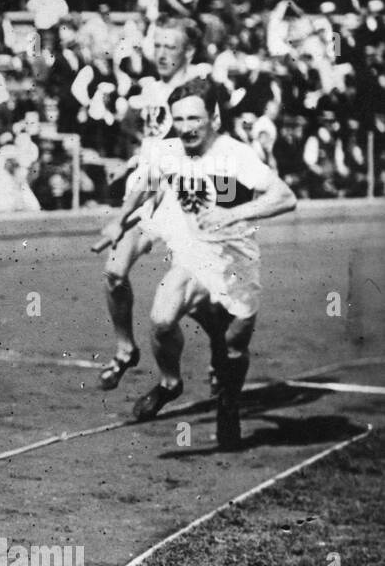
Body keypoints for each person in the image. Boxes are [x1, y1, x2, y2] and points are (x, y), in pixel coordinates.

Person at [120, 79, 296, 449]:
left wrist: (236, 215)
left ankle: (228, 402)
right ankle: (170, 382)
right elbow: (148, 181)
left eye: (195, 118)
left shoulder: (237, 154)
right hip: (195, 255)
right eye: (179, 118)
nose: (186, 127)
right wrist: (118, 218)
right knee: (161, 318)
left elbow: (284, 195)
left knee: (233, 347)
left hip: (236, 264)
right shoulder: (169, 150)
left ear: (215, 117)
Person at [91, 17, 209, 390]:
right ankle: (126, 349)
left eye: (170, 46)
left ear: (188, 51)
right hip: (147, 194)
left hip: (182, 198)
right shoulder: (151, 90)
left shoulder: (200, 89)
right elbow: (147, 136)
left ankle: (219, 345)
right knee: (114, 272)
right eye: (157, 45)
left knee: (183, 298)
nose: (161, 53)